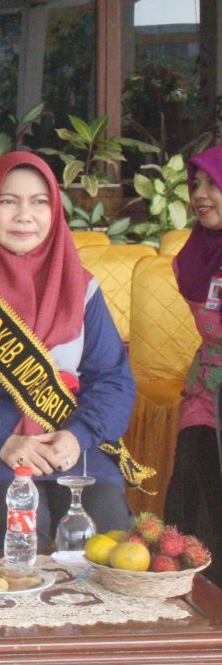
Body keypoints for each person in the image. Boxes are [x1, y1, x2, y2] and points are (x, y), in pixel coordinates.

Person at [0, 151, 135, 549]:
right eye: (8, 201)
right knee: (26, 522)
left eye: (39, 202)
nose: (24, 215)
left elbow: (113, 379)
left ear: (55, 210)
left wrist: (78, 436)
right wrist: (1, 440)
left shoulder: (82, 288)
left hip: (68, 438)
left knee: (105, 521)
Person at [165, 144, 222, 585]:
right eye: (195, 184)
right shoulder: (193, 255)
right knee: (193, 488)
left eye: (212, 184)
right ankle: (192, 595)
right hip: (207, 387)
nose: (200, 195)